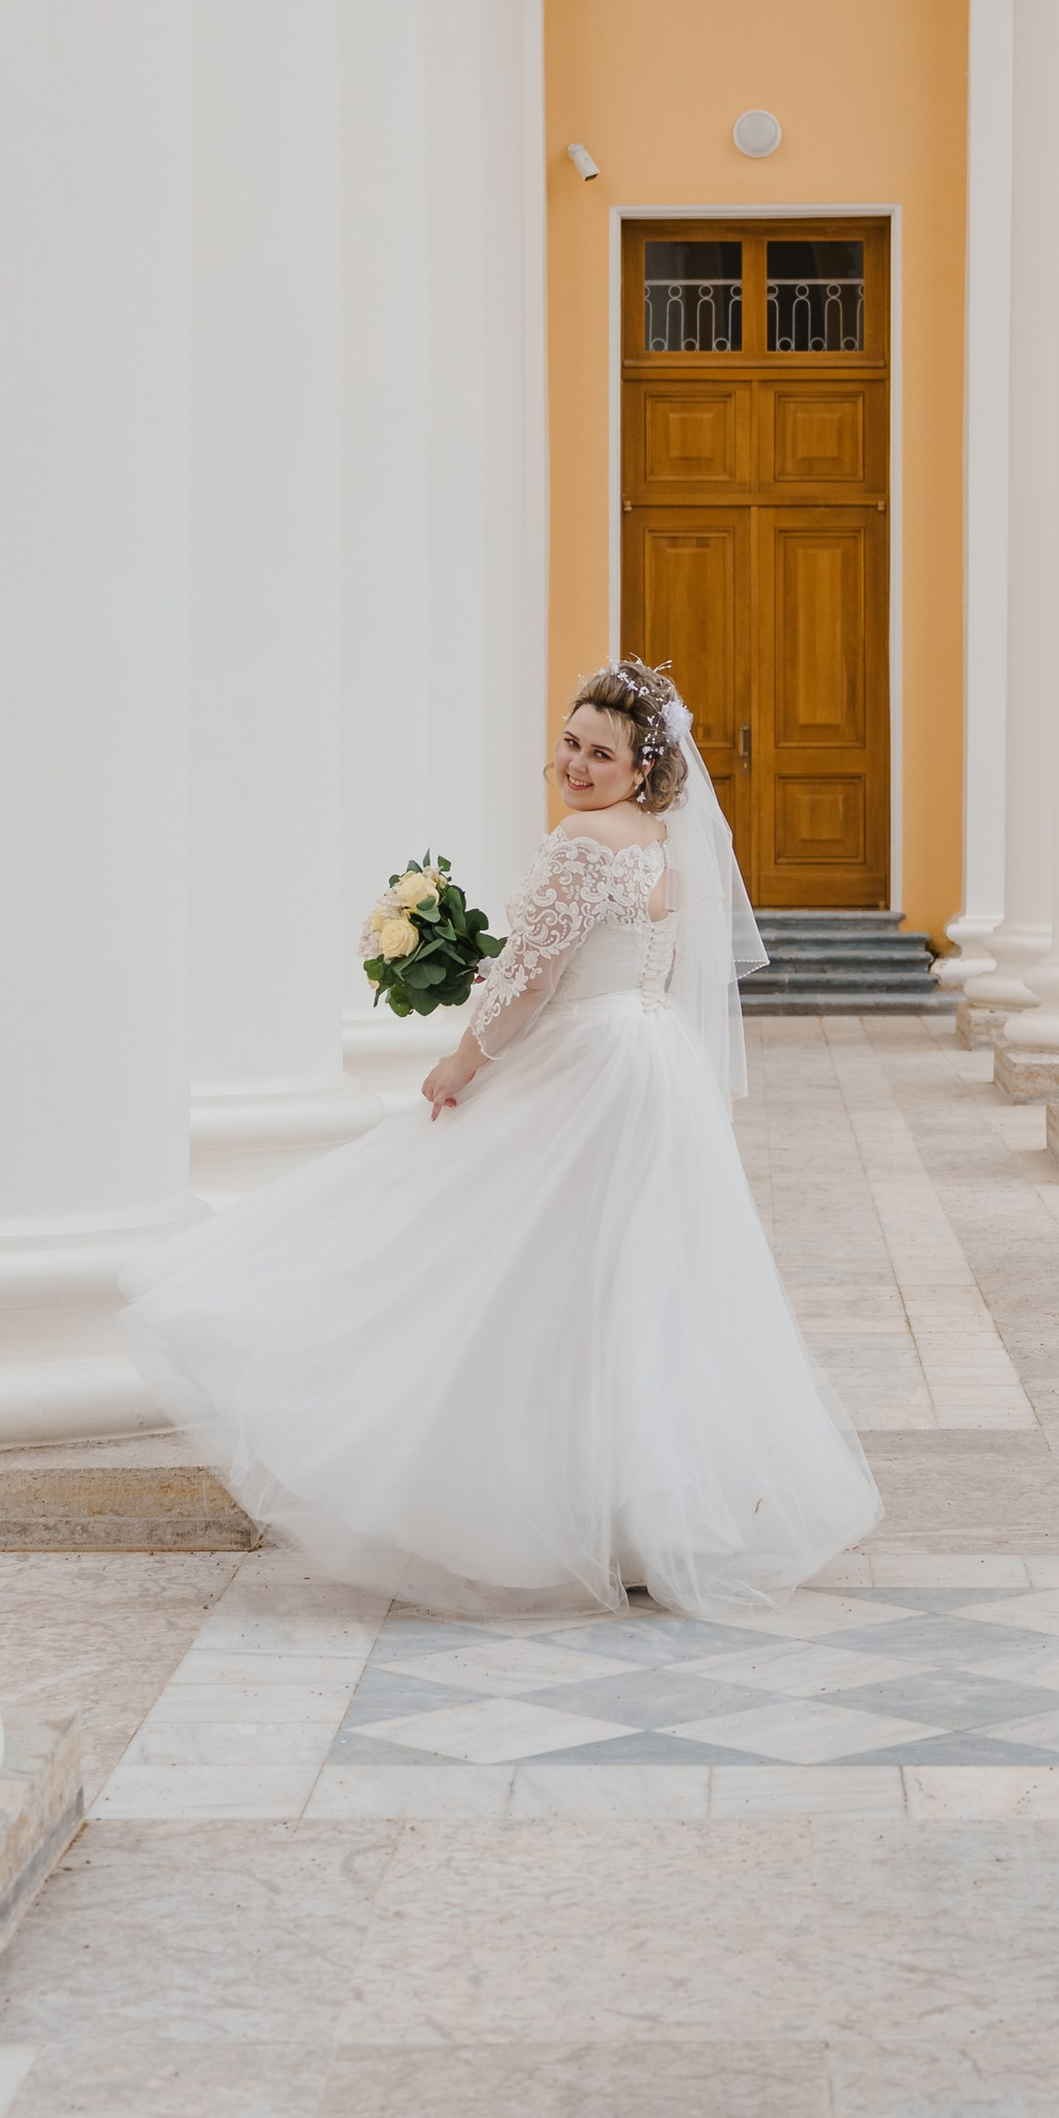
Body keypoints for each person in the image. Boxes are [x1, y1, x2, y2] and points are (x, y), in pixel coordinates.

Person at [119, 661, 879, 1618]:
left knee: (493, 1261)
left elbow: (533, 979)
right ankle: (647, 1520)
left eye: (601, 753)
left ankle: (535, 1509)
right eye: (570, 743)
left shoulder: (580, 843)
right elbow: (628, 963)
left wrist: (463, 1060)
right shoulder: (662, 847)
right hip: (653, 1062)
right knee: (634, 1292)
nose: (577, 764)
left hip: (590, 1067)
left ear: (644, 768)